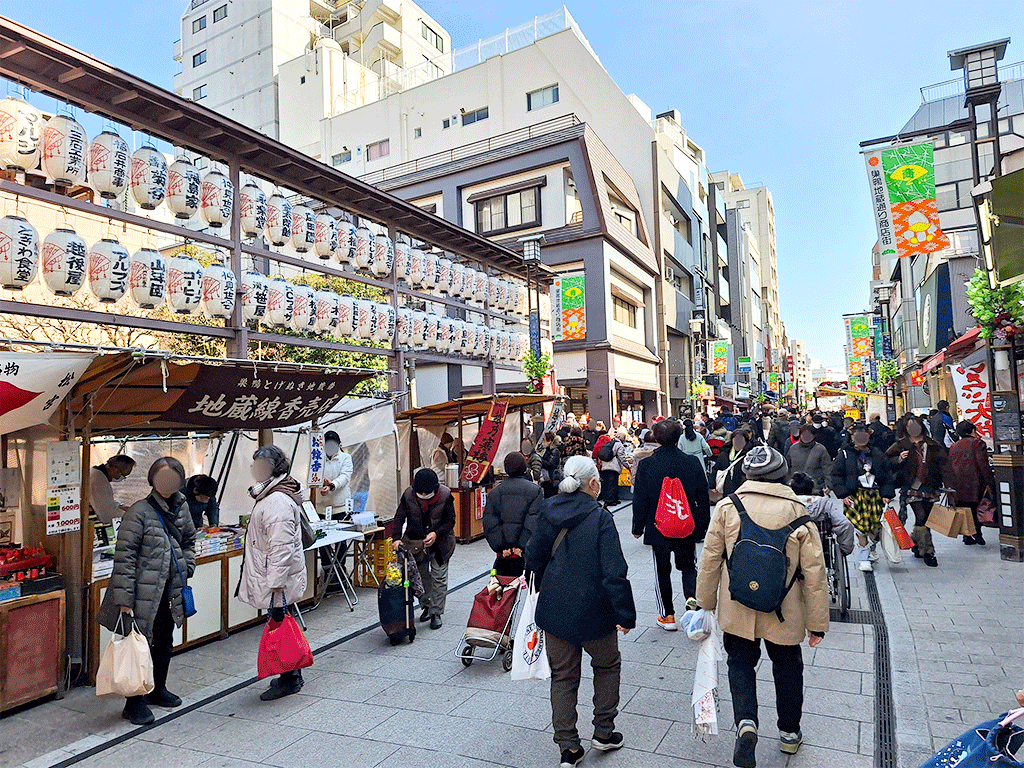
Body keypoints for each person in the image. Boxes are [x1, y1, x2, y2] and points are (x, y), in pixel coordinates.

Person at [695, 446, 829, 768]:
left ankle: (746, 723)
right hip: (785, 609)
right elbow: (815, 573)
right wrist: (817, 622)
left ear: (749, 475)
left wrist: (705, 603)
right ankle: (789, 733)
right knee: (787, 668)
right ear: (782, 475)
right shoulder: (799, 513)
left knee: (740, 664)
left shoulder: (729, 506)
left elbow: (710, 558)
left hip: (737, 605)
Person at [524, 456, 636, 768]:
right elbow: (615, 572)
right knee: (607, 665)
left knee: (562, 675)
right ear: (593, 484)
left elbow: (533, 557)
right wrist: (625, 615)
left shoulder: (548, 509)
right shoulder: (600, 516)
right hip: (596, 611)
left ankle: (568, 748)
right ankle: (603, 731)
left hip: (555, 610)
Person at [97, 457, 196, 725]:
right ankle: (134, 702)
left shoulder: (182, 507)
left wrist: (187, 566)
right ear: (152, 479)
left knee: (164, 641)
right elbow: (125, 557)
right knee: (139, 646)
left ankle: (157, 689)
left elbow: (189, 540)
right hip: (142, 592)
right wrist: (125, 599)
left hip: (170, 588)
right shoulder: (139, 511)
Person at [236, 446, 308, 701]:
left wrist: (276, 584)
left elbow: (281, 546)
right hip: (274, 577)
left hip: (278, 580)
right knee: (280, 624)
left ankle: (290, 677)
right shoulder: (270, 494)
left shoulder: (276, 499)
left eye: (260, 465)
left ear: (273, 467)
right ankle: (289, 674)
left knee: (280, 626)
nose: (255, 470)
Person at [631, 419, 711, 630]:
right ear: (679, 437)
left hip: (658, 525)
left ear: (656, 438)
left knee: (662, 570)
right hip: (686, 523)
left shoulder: (647, 465)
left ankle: (668, 616)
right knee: (688, 567)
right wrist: (704, 525)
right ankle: (691, 604)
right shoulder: (692, 463)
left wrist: (638, 527)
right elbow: (703, 496)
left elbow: (640, 498)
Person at [886, 414, 954, 567]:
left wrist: (949, 485)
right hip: (910, 486)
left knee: (925, 518)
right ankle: (928, 551)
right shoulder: (901, 444)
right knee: (921, 515)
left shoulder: (932, 444)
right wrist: (899, 459)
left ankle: (917, 544)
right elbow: (886, 460)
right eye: (910, 427)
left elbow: (945, 465)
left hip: (930, 486)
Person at [392, 468, 456, 629]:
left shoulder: (446, 495)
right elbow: (399, 517)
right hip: (415, 543)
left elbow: (450, 521)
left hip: (441, 543)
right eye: (420, 493)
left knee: (439, 577)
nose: (424, 495)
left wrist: (435, 533)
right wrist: (396, 538)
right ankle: (426, 606)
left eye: (427, 493)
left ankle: (436, 613)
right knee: (420, 577)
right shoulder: (409, 495)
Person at [830, 422, 895, 572]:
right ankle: (863, 558)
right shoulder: (845, 454)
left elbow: (886, 475)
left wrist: (887, 494)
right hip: (855, 495)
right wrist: (843, 494)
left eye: (864, 435)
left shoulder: (877, 453)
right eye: (857, 435)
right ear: (852, 437)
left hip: (875, 495)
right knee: (860, 528)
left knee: (876, 527)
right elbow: (836, 475)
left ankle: (871, 546)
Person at [482, 452, 543, 577]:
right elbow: (534, 521)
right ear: (523, 467)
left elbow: (490, 522)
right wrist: (522, 546)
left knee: (503, 590)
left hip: (503, 555)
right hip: (525, 555)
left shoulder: (495, 492)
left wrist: (502, 547)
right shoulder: (535, 491)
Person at [947, 420, 995, 545]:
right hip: (974, 482)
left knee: (964, 509)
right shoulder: (977, 443)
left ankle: (967, 536)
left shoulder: (954, 446)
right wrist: (990, 481)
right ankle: (976, 533)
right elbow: (982, 464)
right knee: (976, 508)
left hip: (958, 482)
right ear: (973, 431)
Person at [789, 472, 855, 556]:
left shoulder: (787, 504)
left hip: (793, 548)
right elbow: (845, 525)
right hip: (819, 548)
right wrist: (845, 549)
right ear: (811, 488)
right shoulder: (824, 504)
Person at [90, 455, 136, 525]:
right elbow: (107, 513)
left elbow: (105, 500)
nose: (121, 478)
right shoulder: (98, 480)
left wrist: (120, 506)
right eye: (123, 475)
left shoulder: (96, 473)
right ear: (115, 469)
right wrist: (132, 517)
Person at [786, 424, 832, 493]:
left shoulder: (821, 449)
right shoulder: (793, 448)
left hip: (815, 488)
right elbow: (787, 466)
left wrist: (828, 485)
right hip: (795, 488)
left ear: (814, 436)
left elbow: (827, 468)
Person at [317, 430, 353, 516]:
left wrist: (332, 485)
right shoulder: (318, 458)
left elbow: (345, 476)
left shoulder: (346, 457)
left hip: (341, 507)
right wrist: (322, 483)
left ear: (339, 445)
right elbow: (313, 475)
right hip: (322, 508)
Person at [713, 425, 755, 496]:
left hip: (743, 489)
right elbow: (716, 468)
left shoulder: (751, 454)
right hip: (727, 488)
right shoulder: (725, 453)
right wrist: (712, 485)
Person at [595, 427, 632, 508]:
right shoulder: (619, 445)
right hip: (613, 467)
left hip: (604, 467)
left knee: (606, 483)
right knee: (613, 484)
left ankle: (609, 498)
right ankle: (611, 500)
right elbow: (622, 457)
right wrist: (628, 466)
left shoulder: (609, 443)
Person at [539, 431, 563, 499]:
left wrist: (540, 460)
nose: (543, 442)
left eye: (544, 440)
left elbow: (551, 464)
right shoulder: (548, 450)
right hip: (547, 478)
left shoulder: (554, 451)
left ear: (549, 441)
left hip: (552, 478)